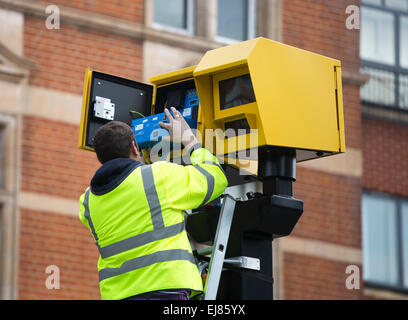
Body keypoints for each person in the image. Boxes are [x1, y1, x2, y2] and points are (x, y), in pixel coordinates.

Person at [78, 107, 228, 300]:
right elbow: (215, 178)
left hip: (119, 294)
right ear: (134, 147)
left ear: (100, 157)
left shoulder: (87, 203)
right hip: (165, 289)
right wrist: (189, 139)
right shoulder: (159, 177)